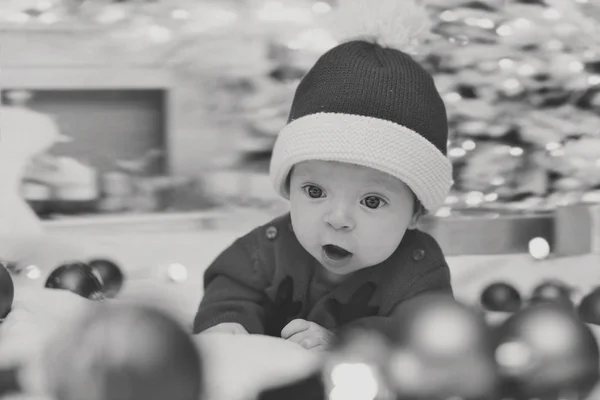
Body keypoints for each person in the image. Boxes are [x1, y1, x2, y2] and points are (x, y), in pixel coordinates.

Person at [193, 0, 454, 352]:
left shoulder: (418, 271)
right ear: (288, 186)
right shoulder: (271, 246)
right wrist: (227, 324)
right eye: (315, 191)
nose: (338, 218)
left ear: (415, 213)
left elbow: (424, 336)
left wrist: (346, 342)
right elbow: (230, 286)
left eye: (372, 200)